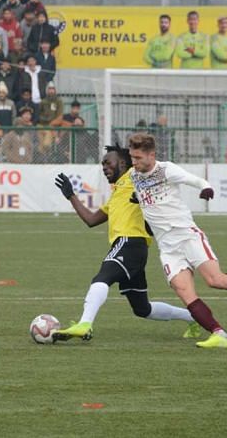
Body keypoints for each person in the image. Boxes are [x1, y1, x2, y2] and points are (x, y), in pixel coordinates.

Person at [127, 133, 227, 348]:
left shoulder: (166, 169)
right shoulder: (133, 175)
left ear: (151, 155)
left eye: (138, 158)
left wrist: (205, 188)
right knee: (184, 291)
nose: (134, 162)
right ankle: (220, 334)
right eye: (131, 157)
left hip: (187, 235)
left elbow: (197, 180)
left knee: (215, 280)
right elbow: (144, 197)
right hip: (168, 247)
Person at [51, 145, 202, 342]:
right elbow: (91, 220)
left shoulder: (135, 176)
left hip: (129, 243)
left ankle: (85, 324)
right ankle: (194, 317)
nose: (104, 167)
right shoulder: (117, 192)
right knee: (142, 309)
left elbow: (153, 177)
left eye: (107, 162)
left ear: (123, 163)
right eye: (102, 164)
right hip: (133, 249)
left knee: (102, 278)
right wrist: (71, 195)